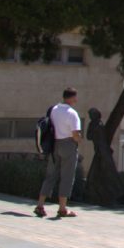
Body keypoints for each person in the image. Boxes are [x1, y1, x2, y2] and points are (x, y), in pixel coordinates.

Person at [35, 87, 83, 218]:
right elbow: (75, 134)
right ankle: (62, 208)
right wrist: (79, 140)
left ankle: (40, 205)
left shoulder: (54, 109)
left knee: (50, 175)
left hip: (54, 144)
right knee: (67, 176)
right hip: (68, 144)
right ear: (72, 98)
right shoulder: (72, 113)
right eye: (75, 98)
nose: (76, 100)